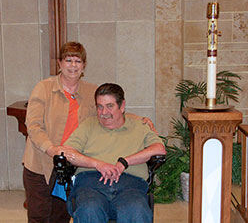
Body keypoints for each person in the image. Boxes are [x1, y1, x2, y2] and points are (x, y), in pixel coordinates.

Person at [22, 42, 156, 223]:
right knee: (40, 215)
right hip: (42, 162)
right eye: (68, 60)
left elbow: (107, 111)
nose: (73, 65)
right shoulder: (44, 88)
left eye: (77, 61)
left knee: (62, 215)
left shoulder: (91, 90)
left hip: (72, 163)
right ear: (60, 63)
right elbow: (33, 125)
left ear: (84, 65)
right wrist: (51, 149)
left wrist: (139, 119)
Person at [53, 83, 166, 223]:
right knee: (89, 209)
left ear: (122, 106)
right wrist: (97, 164)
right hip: (91, 185)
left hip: (130, 186)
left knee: (136, 210)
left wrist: (124, 162)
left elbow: (160, 149)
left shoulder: (139, 126)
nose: (104, 112)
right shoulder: (88, 125)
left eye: (109, 106)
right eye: (99, 106)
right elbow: (65, 151)